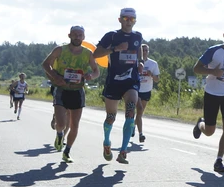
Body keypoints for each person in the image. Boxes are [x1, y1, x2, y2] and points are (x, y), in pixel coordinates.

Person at [191, 26, 224, 174]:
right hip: (211, 93)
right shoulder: (214, 51)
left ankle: (219, 160)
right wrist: (212, 71)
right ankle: (200, 124)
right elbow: (196, 69)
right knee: (209, 131)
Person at [92, 8, 144, 164]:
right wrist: (115, 49)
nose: (129, 21)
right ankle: (107, 143)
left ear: (135, 21)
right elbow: (95, 54)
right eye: (126, 18)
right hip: (114, 81)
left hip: (131, 81)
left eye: (132, 19)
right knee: (111, 117)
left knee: (130, 112)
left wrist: (140, 62)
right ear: (120, 20)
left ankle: (123, 151)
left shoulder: (138, 36)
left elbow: (139, 49)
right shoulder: (112, 36)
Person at [42, 25, 100, 164]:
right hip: (61, 89)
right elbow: (46, 64)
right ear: (69, 36)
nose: (77, 37)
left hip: (78, 91)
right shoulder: (60, 50)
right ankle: (59, 134)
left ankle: (67, 151)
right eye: (75, 34)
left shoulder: (87, 53)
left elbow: (96, 71)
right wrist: (56, 76)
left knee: (75, 125)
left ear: (84, 37)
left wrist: (91, 76)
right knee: (61, 123)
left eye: (80, 35)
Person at [135, 44, 160, 143]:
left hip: (146, 90)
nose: (144, 52)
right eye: (143, 50)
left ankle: (133, 125)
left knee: (140, 113)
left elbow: (157, 79)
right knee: (139, 109)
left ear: (148, 51)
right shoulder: (135, 62)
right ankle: (141, 134)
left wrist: (151, 75)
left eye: (146, 50)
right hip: (136, 90)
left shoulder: (153, 64)